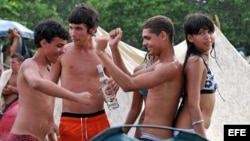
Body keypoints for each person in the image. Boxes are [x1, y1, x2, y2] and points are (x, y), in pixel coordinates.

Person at [95, 15, 183, 140]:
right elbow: (128, 77)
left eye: (147, 38)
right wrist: (114, 47)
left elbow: (128, 85)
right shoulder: (160, 65)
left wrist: (101, 53)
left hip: (158, 138)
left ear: (163, 36)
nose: (144, 43)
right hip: (147, 136)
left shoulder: (171, 67)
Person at [7, 19, 93, 141]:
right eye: (59, 46)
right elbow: (36, 82)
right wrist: (75, 96)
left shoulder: (47, 71)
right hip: (23, 137)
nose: (63, 51)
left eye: (64, 46)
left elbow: (44, 103)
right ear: (43, 43)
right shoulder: (29, 64)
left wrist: (51, 123)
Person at [50, 4, 118, 141]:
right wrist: (49, 119)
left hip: (99, 120)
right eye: (71, 28)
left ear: (92, 29)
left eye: (78, 28)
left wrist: (115, 86)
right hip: (70, 122)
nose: (72, 33)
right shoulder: (62, 53)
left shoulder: (104, 55)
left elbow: (109, 94)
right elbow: (49, 88)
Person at [174, 13, 218, 139]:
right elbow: (193, 104)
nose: (207, 37)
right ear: (190, 38)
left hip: (194, 130)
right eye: (201, 33)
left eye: (209, 31)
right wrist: (202, 137)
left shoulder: (202, 59)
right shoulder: (196, 61)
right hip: (190, 131)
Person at [122, 53, 158, 139]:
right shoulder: (139, 70)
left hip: (162, 128)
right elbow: (135, 108)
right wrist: (123, 132)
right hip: (142, 126)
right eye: (145, 39)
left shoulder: (172, 67)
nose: (145, 42)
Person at [0, 53, 24, 141]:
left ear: (20, 63)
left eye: (13, 63)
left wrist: (11, 88)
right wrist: (12, 89)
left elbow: (26, 92)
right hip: (6, 105)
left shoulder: (25, 75)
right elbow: (2, 89)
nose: (11, 65)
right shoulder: (6, 74)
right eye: (10, 63)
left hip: (19, 107)